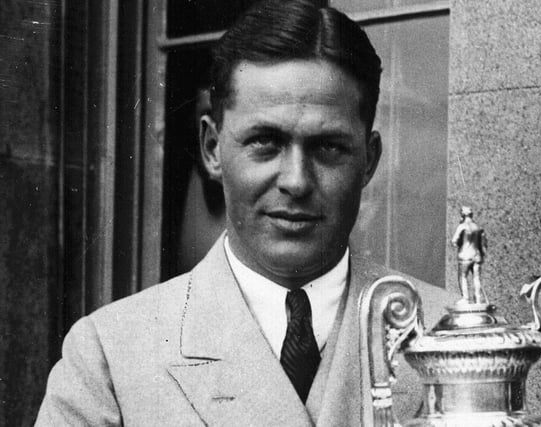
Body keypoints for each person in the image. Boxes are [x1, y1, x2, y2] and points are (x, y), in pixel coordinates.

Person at [36, 1, 456, 425]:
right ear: (213, 149)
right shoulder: (111, 356)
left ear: (368, 161)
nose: (296, 180)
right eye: (265, 142)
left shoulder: (451, 337)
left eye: (328, 147)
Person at [451, 206, 488, 304]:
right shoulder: (478, 227)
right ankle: (478, 298)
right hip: (477, 256)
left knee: (463, 276)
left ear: (463, 215)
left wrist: (460, 244)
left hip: (465, 256)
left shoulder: (462, 226)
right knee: (477, 278)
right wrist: (482, 255)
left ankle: (466, 298)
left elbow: (454, 241)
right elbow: (483, 244)